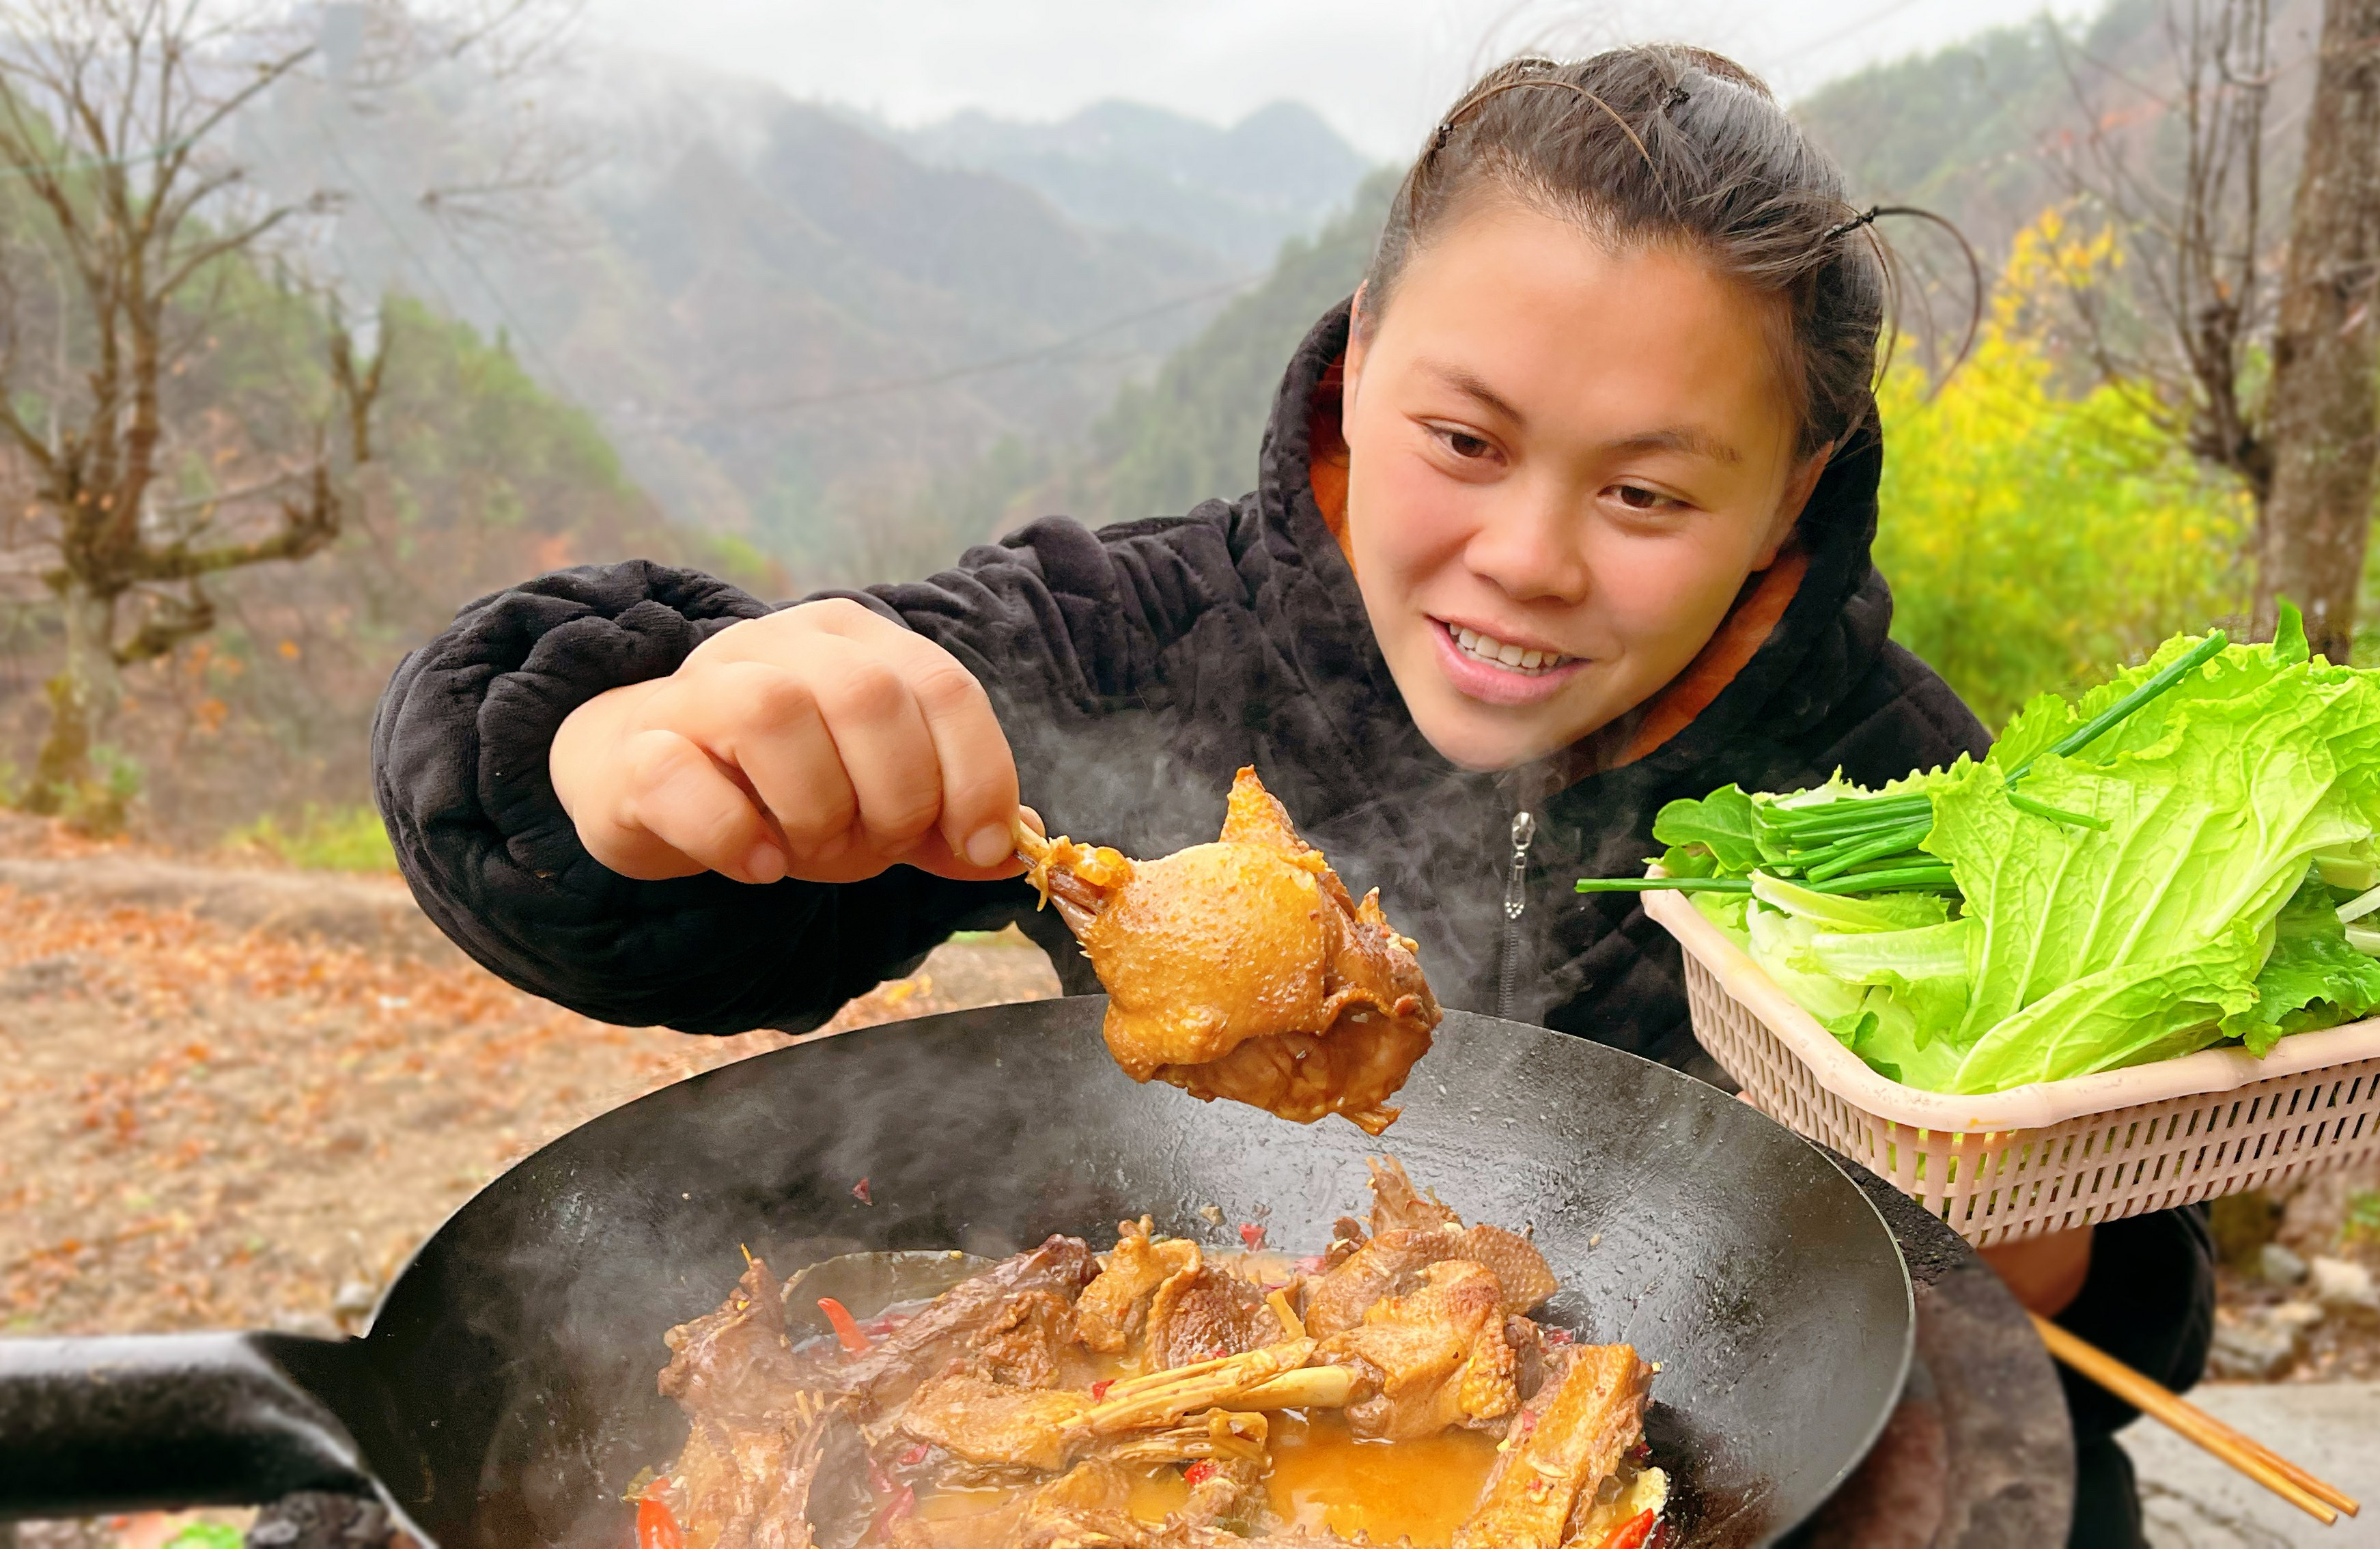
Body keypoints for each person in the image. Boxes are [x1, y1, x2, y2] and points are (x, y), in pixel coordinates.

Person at [372, 44, 2209, 1545]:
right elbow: (609, 890)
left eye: (1648, 495)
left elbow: (2128, 1330)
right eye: (1463, 440)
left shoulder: (1900, 786)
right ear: (1357, 367)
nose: (1527, 558)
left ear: (1790, 491)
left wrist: (2024, 1208)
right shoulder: (1126, 638)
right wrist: (610, 747)